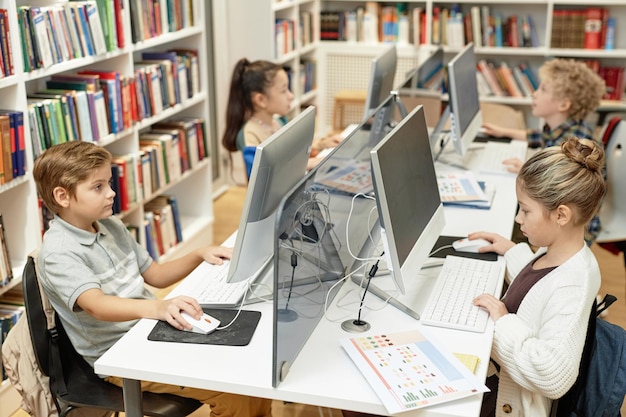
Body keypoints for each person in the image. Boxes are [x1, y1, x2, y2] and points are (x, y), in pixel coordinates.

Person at [32, 141, 272, 417]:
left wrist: (198, 254)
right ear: (62, 196)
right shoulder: (59, 253)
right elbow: (96, 305)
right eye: (98, 187)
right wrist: (157, 308)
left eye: (109, 183)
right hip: (118, 355)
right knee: (235, 391)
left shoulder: (110, 225)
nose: (111, 193)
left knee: (245, 365)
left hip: (148, 330)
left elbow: (155, 275)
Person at [467, 137, 605, 417]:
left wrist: (504, 322)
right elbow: (539, 288)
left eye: (526, 210)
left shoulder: (573, 283)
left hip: (505, 404)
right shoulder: (557, 250)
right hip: (496, 377)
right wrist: (512, 251)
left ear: (561, 215)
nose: (518, 219)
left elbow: (554, 376)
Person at [482, 58, 605, 173]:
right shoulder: (562, 127)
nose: (534, 94)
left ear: (563, 105)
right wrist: (503, 132)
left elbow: (561, 186)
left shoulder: (575, 144)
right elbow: (540, 137)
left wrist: (525, 171)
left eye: (543, 90)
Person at [222, 58, 342, 175]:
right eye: (284, 90)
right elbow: (262, 173)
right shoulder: (249, 134)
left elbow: (296, 148)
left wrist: (323, 144)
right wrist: (309, 163)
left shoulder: (278, 122)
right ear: (261, 100)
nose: (290, 96)